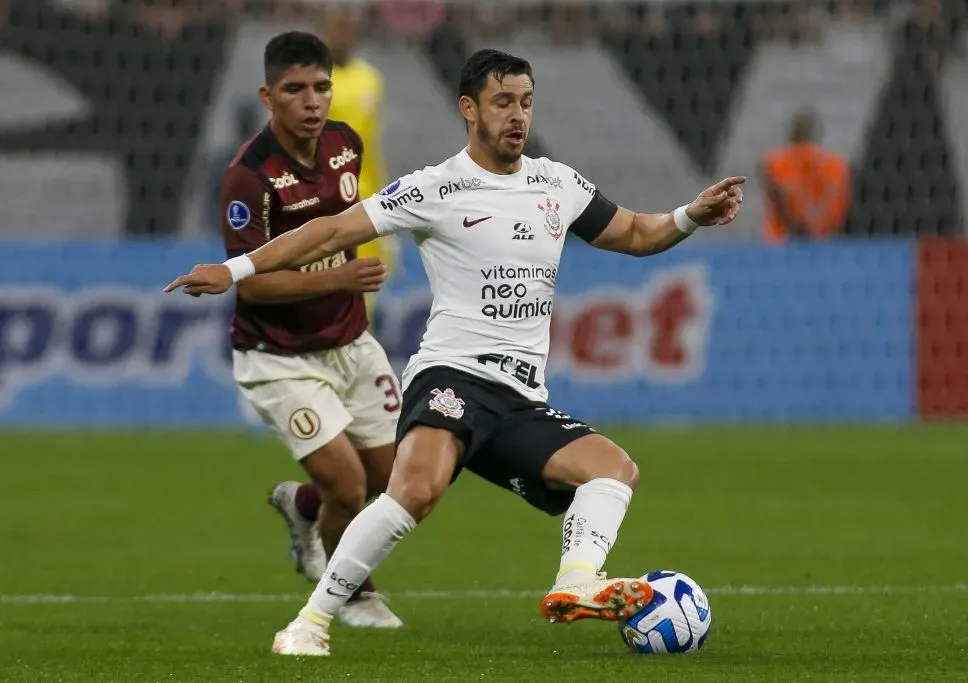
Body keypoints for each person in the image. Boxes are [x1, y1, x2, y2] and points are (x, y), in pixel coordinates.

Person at [167, 48, 745, 657]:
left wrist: (689, 216)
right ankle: (309, 624)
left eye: (526, 102)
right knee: (415, 491)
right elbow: (333, 230)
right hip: (453, 376)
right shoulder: (436, 187)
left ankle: (577, 582)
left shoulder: (557, 182)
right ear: (469, 109)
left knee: (614, 470)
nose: (517, 116)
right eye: (503, 102)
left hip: (520, 397)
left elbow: (635, 232)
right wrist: (235, 269)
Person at [215, 31, 403, 629]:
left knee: (393, 480)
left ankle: (302, 506)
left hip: (350, 341)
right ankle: (353, 593)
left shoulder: (345, 145)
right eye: (295, 89)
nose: (312, 100)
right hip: (278, 356)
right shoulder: (248, 177)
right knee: (347, 486)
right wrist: (340, 276)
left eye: (321, 87)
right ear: (268, 97)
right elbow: (252, 284)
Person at [317, 5, 398, 330]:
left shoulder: (371, 80)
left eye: (349, 19)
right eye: (337, 18)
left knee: (361, 315)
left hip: (363, 209)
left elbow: (372, 151)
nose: (344, 27)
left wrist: (387, 213)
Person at [759, 109, 850, 243]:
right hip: (824, 239)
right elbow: (838, 200)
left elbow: (779, 199)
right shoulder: (835, 165)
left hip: (780, 240)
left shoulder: (774, 163)